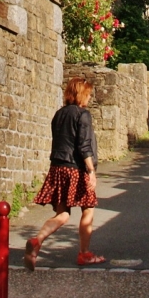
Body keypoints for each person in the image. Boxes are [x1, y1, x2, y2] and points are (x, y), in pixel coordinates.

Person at [24, 76, 105, 269]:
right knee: (88, 209)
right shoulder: (82, 115)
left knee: (63, 214)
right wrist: (91, 172)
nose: (89, 99)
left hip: (58, 168)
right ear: (80, 94)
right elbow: (84, 146)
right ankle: (84, 254)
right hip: (76, 169)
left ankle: (37, 240)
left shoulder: (58, 114)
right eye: (88, 94)